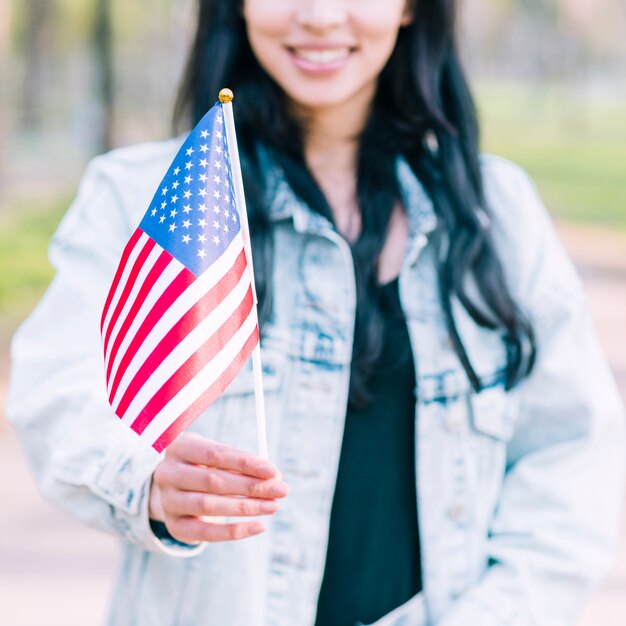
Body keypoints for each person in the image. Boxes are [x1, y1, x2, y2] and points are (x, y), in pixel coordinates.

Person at [7, 1, 625, 625]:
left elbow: (573, 460)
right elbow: (57, 391)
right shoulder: (151, 195)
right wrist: (146, 480)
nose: (322, 15)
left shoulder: (497, 213)